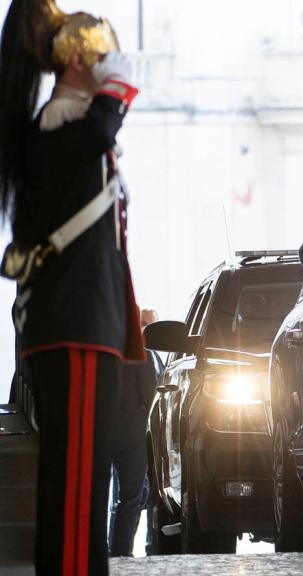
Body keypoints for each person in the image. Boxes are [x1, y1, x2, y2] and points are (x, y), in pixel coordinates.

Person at [0, 1, 144, 574]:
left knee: (81, 479)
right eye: (101, 55)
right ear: (81, 60)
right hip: (77, 326)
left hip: (81, 323)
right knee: (78, 485)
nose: (111, 62)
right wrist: (115, 83)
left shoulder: (67, 128)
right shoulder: (63, 126)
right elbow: (105, 120)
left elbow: (104, 126)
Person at [108, 308, 160, 557]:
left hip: (102, 433)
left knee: (105, 498)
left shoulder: (102, 351)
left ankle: (107, 550)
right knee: (131, 499)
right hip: (131, 436)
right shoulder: (140, 353)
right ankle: (121, 554)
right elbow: (150, 396)